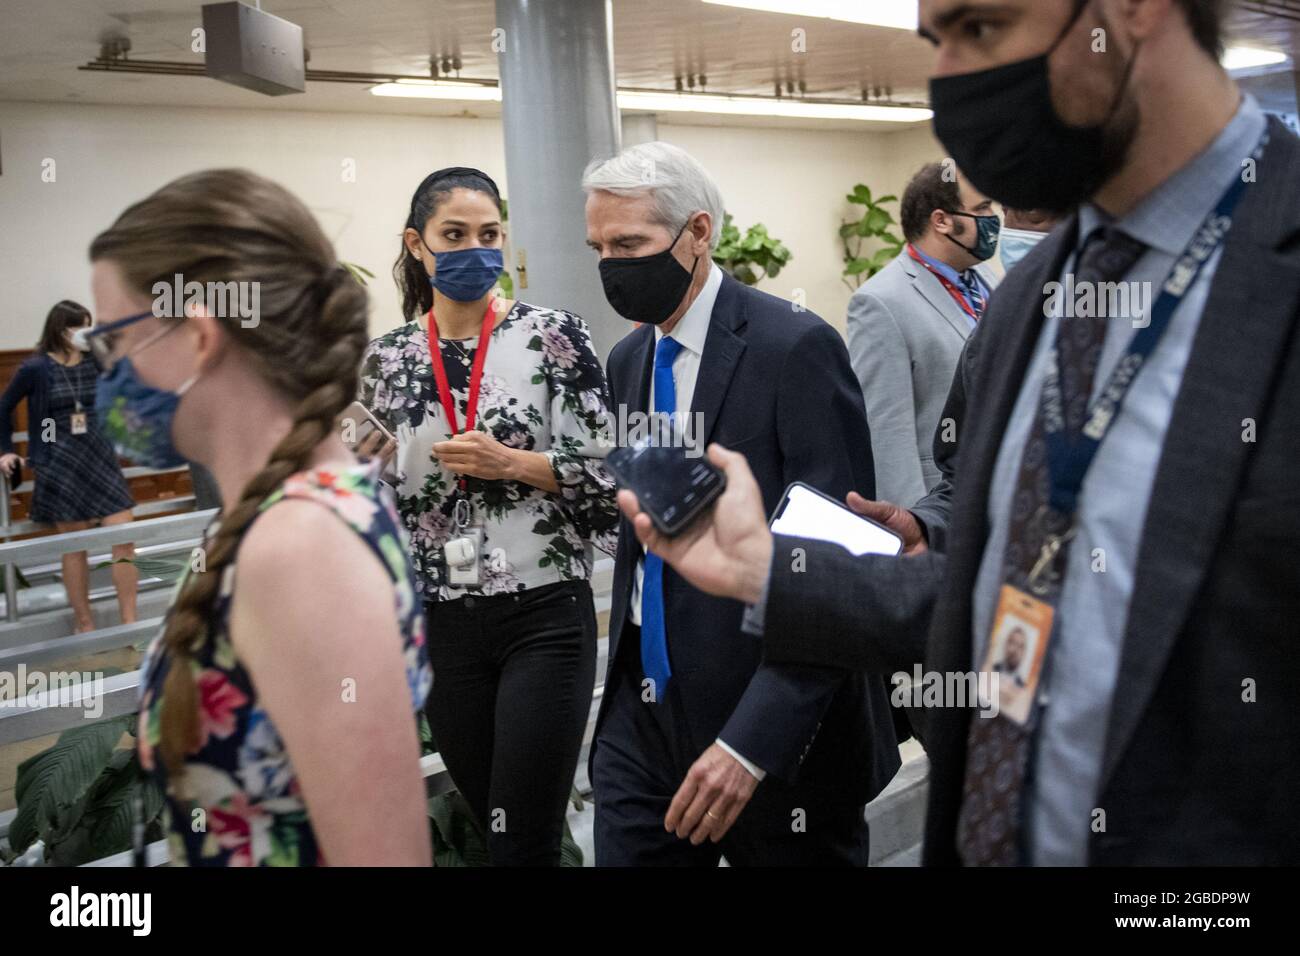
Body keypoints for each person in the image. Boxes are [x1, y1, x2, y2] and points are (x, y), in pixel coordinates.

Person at [616, 0, 1300, 865]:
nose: (948, 81)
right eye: (936, 40)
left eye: (981, 27)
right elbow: (1019, 599)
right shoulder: (1027, 299)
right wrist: (769, 571)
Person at [88, 168, 432, 866]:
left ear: (199, 335)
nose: (110, 372)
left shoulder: (301, 545)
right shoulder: (278, 516)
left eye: (115, 342)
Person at [584, 141, 900, 866]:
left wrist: (752, 742)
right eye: (599, 246)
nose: (611, 266)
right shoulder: (630, 360)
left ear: (698, 233)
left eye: (629, 244)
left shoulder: (796, 349)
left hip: (774, 726)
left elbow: (836, 570)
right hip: (644, 717)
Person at [359, 166, 618, 866]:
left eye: (490, 234)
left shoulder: (552, 337)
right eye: (455, 235)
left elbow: (606, 471)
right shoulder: (384, 363)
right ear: (418, 245)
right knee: (494, 828)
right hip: (442, 623)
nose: (475, 248)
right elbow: (366, 493)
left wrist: (514, 464)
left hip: (544, 614)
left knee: (525, 839)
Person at [847, 163, 999, 508]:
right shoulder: (880, 301)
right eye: (982, 209)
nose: (994, 218)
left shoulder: (989, 280)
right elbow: (887, 430)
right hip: (943, 499)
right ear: (941, 220)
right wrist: (915, 525)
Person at [0, 300, 137, 633]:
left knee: (125, 535)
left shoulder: (96, 362)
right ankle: (84, 622)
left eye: (87, 325)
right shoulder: (36, 368)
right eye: (77, 326)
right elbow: (2, 408)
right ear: (59, 330)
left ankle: (130, 623)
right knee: (75, 547)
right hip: (59, 459)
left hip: (99, 455)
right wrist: (5, 451)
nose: (82, 333)